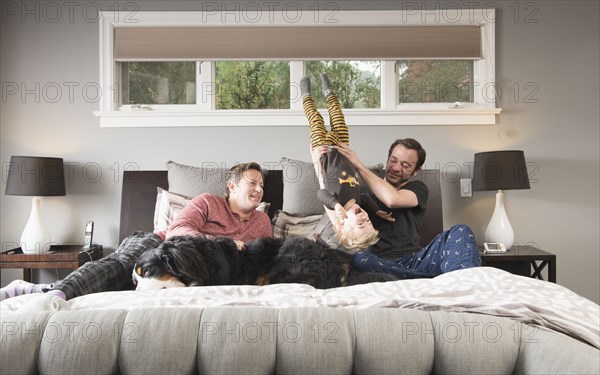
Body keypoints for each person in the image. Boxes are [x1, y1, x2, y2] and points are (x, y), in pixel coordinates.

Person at [1, 162, 272, 301]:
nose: (259, 189)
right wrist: (224, 243)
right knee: (120, 269)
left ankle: (35, 289)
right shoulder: (207, 202)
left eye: (262, 185)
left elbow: (265, 260)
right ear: (232, 186)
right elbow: (178, 230)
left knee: (115, 290)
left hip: (194, 271)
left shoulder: (262, 223)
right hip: (160, 244)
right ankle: (54, 297)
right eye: (252, 182)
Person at [335, 138, 481, 279]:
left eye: (406, 166)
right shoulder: (363, 192)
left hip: (416, 260)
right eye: (393, 160)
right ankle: (428, 279)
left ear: (416, 171)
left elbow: (392, 199)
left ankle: (466, 284)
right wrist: (319, 159)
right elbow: (336, 210)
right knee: (357, 259)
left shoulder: (418, 188)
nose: (397, 168)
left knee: (461, 230)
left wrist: (358, 165)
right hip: (378, 262)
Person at [301, 74, 392, 252]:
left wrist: (335, 205)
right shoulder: (357, 200)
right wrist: (376, 211)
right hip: (341, 146)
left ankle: (306, 95)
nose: (365, 218)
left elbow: (321, 194)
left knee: (315, 119)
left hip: (323, 149)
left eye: (361, 224)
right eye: (368, 221)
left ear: (343, 224)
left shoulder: (337, 204)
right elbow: (365, 197)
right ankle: (328, 91)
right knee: (338, 116)